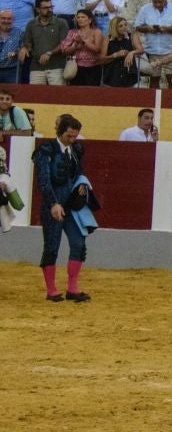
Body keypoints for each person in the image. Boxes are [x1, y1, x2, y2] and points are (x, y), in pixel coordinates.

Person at [33, 112, 91, 302]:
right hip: (53, 205)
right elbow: (43, 180)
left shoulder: (77, 149)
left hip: (72, 205)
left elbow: (79, 172)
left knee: (78, 243)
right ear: (59, 131)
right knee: (52, 246)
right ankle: (51, 290)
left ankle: (72, 288)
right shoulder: (46, 150)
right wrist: (53, 203)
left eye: (75, 136)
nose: (72, 140)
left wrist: (82, 183)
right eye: (68, 136)